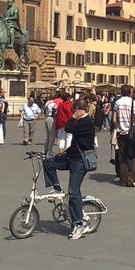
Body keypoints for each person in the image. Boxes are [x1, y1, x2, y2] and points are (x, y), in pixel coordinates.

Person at [41, 98, 96, 240]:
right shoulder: (80, 121)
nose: (71, 112)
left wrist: (72, 117)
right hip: (71, 156)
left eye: (73, 110)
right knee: (48, 162)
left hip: (80, 161)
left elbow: (68, 128)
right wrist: (65, 151)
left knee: (73, 190)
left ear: (79, 109)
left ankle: (79, 223)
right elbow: (77, 140)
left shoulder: (87, 122)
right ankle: (57, 187)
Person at [112, 85, 135, 187]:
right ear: (129, 92)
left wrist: (119, 127)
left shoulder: (117, 102)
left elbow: (114, 119)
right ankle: (131, 178)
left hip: (121, 133)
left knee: (122, 156)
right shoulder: (132, 102)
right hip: (131, 132)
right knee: (134, 155)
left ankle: (123, 180)